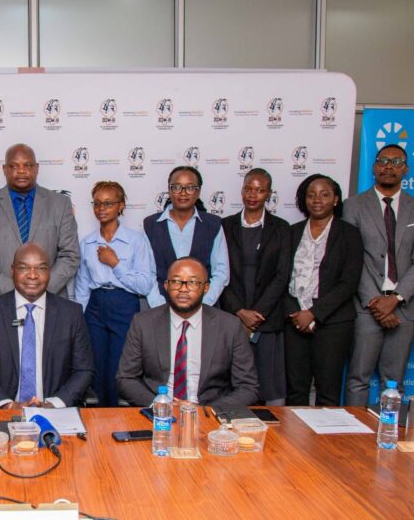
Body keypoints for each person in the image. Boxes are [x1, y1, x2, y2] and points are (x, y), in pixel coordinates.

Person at [342, 145, 414, 405]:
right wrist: (376, 302)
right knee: (358, 378)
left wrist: (395, 298)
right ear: (374, 167)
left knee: (394, 382)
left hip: (405, 307)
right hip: (366, 305)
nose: (388, 167)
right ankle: (355, 430)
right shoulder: (353, 206)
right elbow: (351, 259)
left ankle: (388, 428)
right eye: (383, 161)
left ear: (406, 169)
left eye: (396, 162)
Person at [0, 243, 94, 409]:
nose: (32, 275)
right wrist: (7, 404)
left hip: (55, 413)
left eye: (41, 268)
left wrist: (55, 404)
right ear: (12, 270)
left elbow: (84, 370)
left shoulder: (71, 314)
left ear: (49, 271)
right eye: (24, 268)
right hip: (1, 412)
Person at [116, 257, 259, 408]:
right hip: (159, 413)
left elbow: (248, 387)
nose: (183, 289)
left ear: (206, 288)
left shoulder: (229, 326)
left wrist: (207, 411)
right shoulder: (143, 323)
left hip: (209, 413)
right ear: (166, 286)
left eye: (192, 282)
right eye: (176, 281)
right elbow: (125, 378)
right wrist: (159, 404)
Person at [74, 181, 164, 407]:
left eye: (108, 203)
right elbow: (82, 285)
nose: (101, 208)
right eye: (97, 203)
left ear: (121, 206)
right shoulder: (87, 242)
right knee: (95, 364)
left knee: (119, 366)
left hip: (124, 304)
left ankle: (116, 416)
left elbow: (144, 284)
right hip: (95, 306)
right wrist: (79, 318)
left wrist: (116, 264)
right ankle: (98, 417)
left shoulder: (136, 241)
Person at [283, 175, 362, 406]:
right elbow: (281, 276)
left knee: (327, 393)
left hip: (333, 324)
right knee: (295, 391)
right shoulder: (292, 232)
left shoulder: (349, 233)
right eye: (311, 195)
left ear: (335, 199)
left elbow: (349, 282)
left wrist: (313, 313)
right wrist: (296, 313)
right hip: (294, 321)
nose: (317, 200)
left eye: (324, 194)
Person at [219, 169, 292, 405]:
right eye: (248, 189)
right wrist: (239, 311)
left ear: (269, 193)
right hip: (232, 314)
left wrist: (257, 313)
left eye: (260, 190)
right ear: (242, 190)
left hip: (267, 316)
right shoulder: (224, 226)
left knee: (267, 382)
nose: (253, 195)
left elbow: (282, 275)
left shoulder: (281, 228)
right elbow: (219, 273)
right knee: (232, 380)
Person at [0, 143, 80, 298]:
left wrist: (40, 289)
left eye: (27, 165)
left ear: (37, 168)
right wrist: (15, 294)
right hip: (1, 301)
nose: (21, 171)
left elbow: (70, 255)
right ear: (4, 169)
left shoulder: (60, 204)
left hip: (51, 299)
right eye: (14, 166)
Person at [144, 166, 229, 306]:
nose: (183, 193)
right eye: (176, 187)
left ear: (198, 191)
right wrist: (159, 306)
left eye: (190, 187)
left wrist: (203, 304)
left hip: (204, 307)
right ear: (169, 190)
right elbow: (148, 272)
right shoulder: (151, 225)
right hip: (161, 306)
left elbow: (221, 272)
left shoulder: (213, 224)